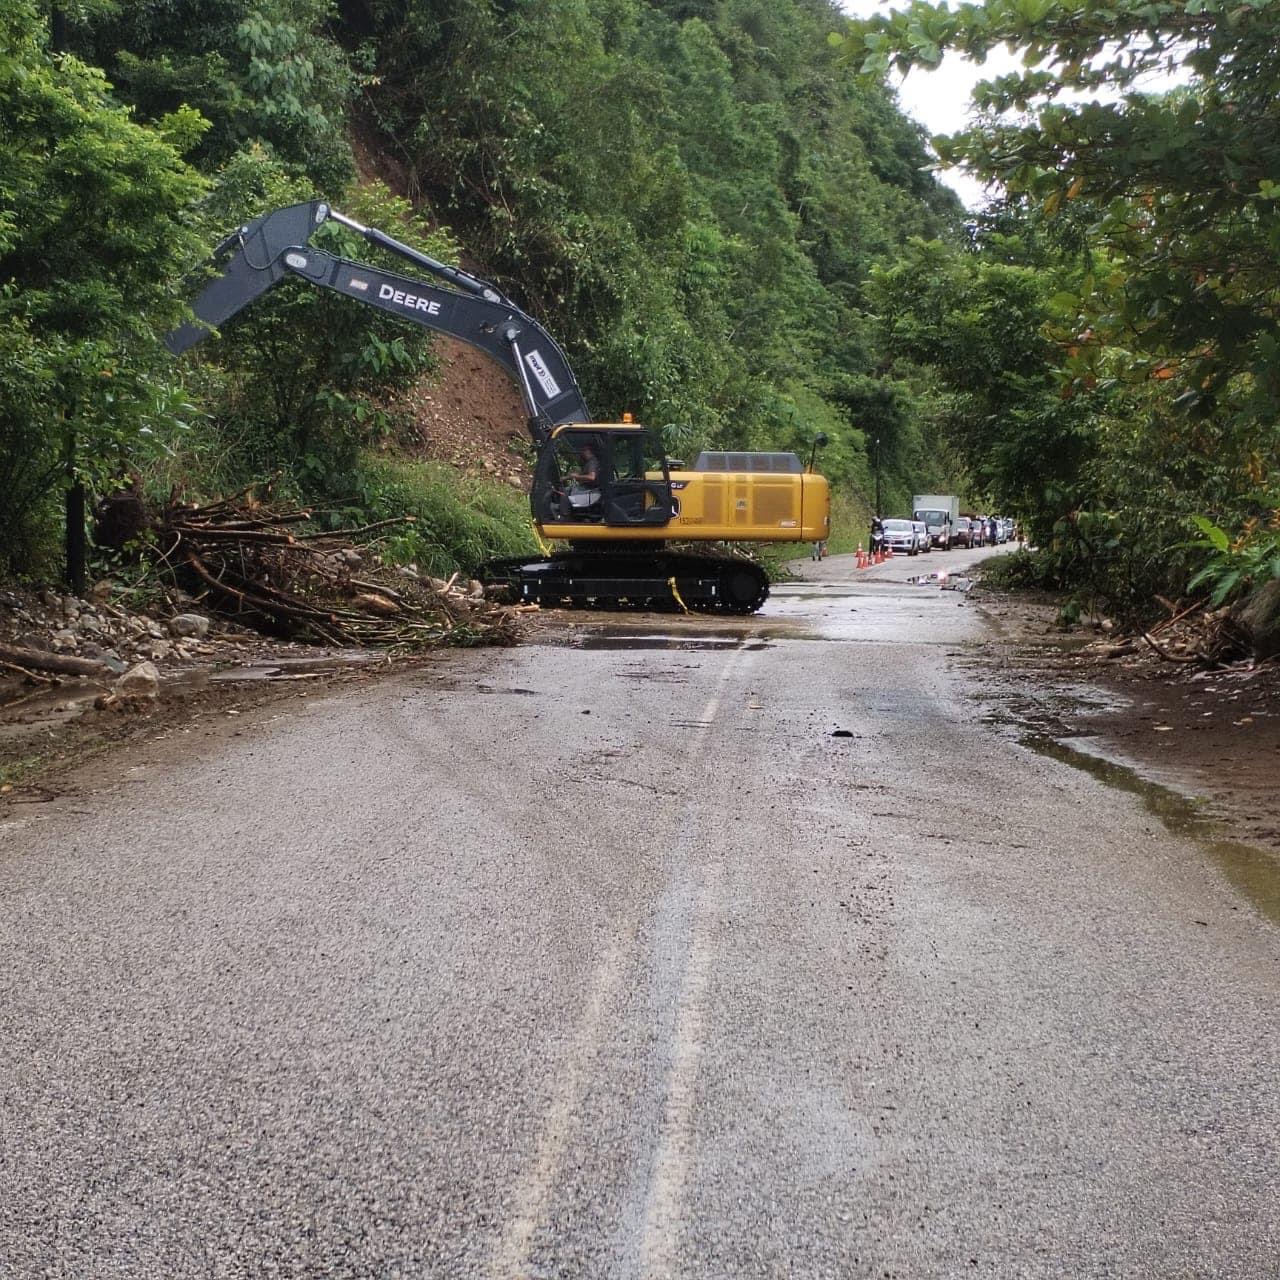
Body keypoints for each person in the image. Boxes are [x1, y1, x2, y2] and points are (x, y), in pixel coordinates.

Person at [564, 442, 603, 516]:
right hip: (587, 489)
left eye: (584, 450)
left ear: (589, 451)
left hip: (592, 491)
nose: (582, 453)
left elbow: (592, 477)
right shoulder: (588, 463)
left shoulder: (592, 462)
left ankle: (565, 515)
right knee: (570, 489)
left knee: (566, 492)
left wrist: (576, 477)